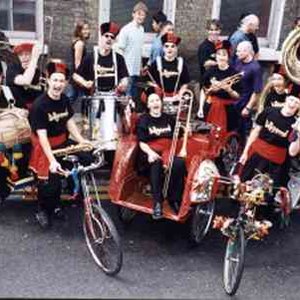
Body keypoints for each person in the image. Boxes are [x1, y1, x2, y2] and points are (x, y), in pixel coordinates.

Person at [29, 60, 92, 229]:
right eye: (55, 80)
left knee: (88, 156)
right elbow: (42, 137)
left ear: (65, 83)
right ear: (48, 81)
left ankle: (66, 198)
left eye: (61, 81)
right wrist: (52, 160)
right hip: (46, 147)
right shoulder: (39, 106)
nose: (58, 84)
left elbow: (69, 121)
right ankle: (42, 209)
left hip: (63, 142)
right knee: (50, 183)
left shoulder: (64, 99)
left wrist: (81, 140)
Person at [72, 21, 129, 165]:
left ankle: (111, 162)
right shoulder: (91, 57)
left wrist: (123, 84)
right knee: (95, 133)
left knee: (112, 134)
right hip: (95, 100)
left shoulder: (118, 58)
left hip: (112, 99)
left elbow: (125, 77)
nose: (109, 39)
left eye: (112, 37)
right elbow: (75, 75)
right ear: (101, 37)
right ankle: (96, 161)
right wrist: (85, 83)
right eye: (106, 36)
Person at [136, 87, 186, 219]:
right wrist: (150, 153)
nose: (155, 103)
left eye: (157, 100)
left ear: (161, 103)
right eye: (152, 101)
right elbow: (141, 142)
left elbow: (178, 135)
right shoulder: (144, 119)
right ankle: (157, 202)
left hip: (168, 151)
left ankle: (174, 198)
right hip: (150, 152)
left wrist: (187, 130)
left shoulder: (169, 118)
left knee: (179, 163)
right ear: (148, 105)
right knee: (156, 163)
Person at [239, 94, 300, 189]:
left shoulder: (295, 124)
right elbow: (255, 131)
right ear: (286, 100)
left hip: (276, 159)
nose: (292, 104)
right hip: (257, 152)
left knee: (267, 190)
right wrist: (245, 152)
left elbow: (292, 151)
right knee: (244, 182)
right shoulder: (269, 111)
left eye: (296, 102)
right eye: (291, 100)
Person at [201, 40, 241, 134]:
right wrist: (201, 106)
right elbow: (204, 89)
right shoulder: (210, 71)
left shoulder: (234, 73)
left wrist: (229, 90)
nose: (221, 57)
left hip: (228, 110)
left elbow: (237, 96)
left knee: (225, 134)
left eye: (224, 55)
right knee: (208, 132)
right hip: (211, 107)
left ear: (228, 57)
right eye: (219, 54)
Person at [146, 32, 190, 113]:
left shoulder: (181, 63)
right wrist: (156, 89)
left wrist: (180, 94)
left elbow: (185, 82)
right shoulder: (157, 62)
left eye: (173, 46)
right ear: (163, 48)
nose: (169, 49)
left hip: (176, 98)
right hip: (160, 99)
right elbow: (148, 81)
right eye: (167, 46)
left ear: (176, 48)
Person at [114, 1, 148, 100]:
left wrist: (141, 66)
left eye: (143, 15)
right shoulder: (126, 29)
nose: (141, 17)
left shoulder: (141, 29)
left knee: (133, 96)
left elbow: (139, 50)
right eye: (139, 14)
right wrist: (122, 69)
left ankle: (132, 114)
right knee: (126, 97)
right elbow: (119, 49)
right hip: (127, 69)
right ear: (133, 14)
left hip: (136, 69)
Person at [234, 41, 263, 142]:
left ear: (247, 51)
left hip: (244, 103)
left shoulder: (255, 68)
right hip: (234, 100)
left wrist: (248, 107)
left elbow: (257, 91)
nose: (237, 53)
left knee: (242, 131)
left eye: (239, 51)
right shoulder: (238, 61)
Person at [6, 42, 44, 110]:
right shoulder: (13, 68)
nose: (24, 57)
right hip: (17, 111)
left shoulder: (40, 73)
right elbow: (25, 81)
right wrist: (34, 59)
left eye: (27, 54)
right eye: (20, 55)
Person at [65, 20, 91, 104]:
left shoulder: (79, 42)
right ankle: (58, 109)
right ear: (79, 31)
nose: (86, 31)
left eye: (87, 29)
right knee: (74, 97)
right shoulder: (79, 44)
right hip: (78, 75)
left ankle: (59, 109)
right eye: (83, 29)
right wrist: (80, 80)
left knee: (73, 96)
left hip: (77, 75)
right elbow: (77, 63)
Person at [197, 19, 222, 84]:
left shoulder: (222, 45)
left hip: (220, 80)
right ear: (207, 31)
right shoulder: (204, 46)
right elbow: (205, 64)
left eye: (216, 30)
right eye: (211, 30)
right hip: (207, 82)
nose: (214, 32)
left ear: (220, 31)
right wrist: (220, 62)